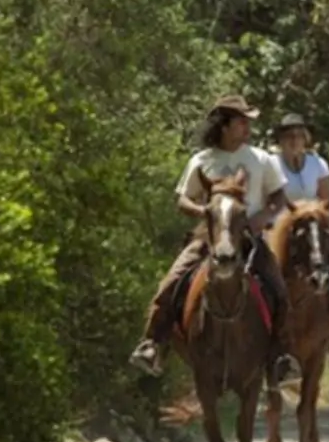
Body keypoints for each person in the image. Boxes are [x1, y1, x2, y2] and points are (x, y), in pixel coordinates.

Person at [128, 94, 303, 388]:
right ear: (224, 125)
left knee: (279, 291)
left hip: (250, 240)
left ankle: (280, 357)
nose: (247, 126)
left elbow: (278, 197)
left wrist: (263, 217)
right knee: (170, 284)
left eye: (248, 121)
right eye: (241, 121)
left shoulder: (262, 159)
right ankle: (152, 344)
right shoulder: (202, 160)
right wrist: (205, 213)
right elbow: (182, 199)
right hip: (207, 240)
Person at [270, 113, 329, 350]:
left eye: (299, 136)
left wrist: (317, 216)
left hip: (314, 224)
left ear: (306, 139)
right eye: (289, 136)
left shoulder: (318, 164)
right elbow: (271, 199)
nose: (294, 141)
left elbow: (326, 199)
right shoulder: (271, 164)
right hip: (283, 226)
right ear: (280, 140)